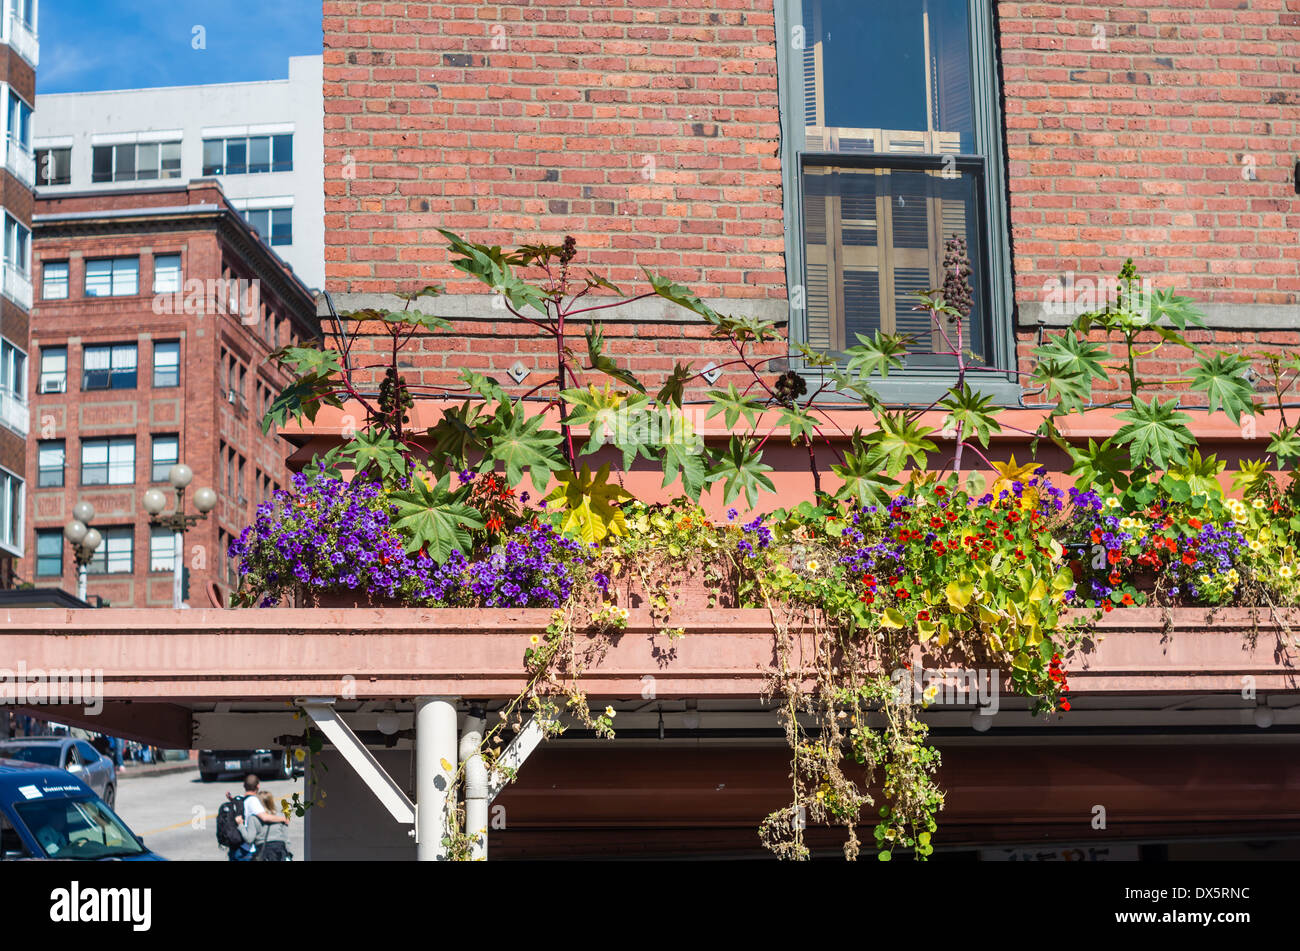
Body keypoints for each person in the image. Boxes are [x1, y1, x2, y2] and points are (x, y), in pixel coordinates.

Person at [240, 790, 292, 861]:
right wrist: (288, 854)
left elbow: (249, 839)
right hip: (280, 852)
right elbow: (286, 839)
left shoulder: (254, 818)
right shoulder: (280, 817)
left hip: (263, 852)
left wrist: (240, 825)